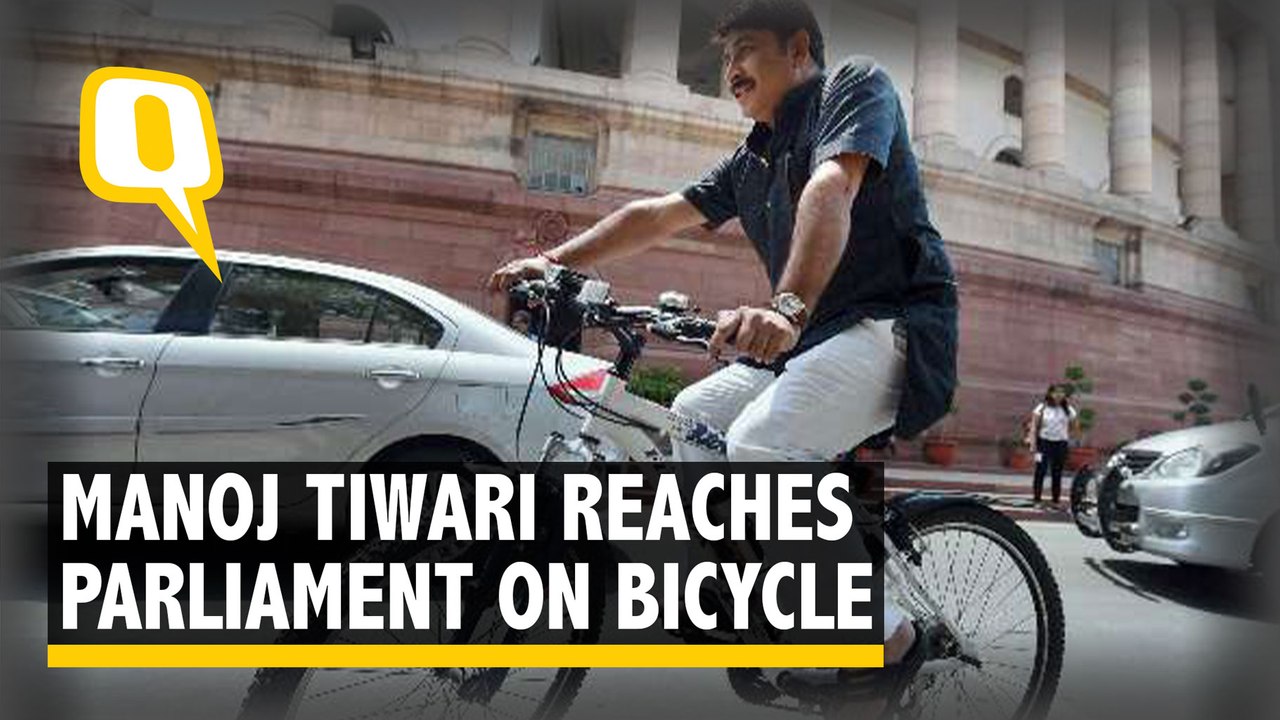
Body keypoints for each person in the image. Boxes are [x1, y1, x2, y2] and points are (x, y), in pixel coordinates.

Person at [490, 0, 957, 684]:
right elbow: (657, 215)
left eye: (744, 50)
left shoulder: (855, 87)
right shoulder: (751, 159)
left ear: (798, 50)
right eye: (726, 55)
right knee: (690, 420)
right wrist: (556, 263)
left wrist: (785, 308)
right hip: (811, 347)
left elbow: (832, 186)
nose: (730, 68)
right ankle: (740, 601)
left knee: (763, 444)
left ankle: (889, 639)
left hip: (893, 330)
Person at [1027, 385, 1078, 507]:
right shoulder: (1042, 407)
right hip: (1044, 443)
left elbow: (1075, 426)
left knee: (1057, 472)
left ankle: (1055, 500)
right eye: (1056, 392)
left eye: (1062, 393)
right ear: (1050, 394)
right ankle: (1037, 499)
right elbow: (1034, 426)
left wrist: (1068, 437)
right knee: (1040, 471)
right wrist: (1032, 443)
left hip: (1060, 444)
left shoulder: (1068, 409)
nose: (1059, 395)